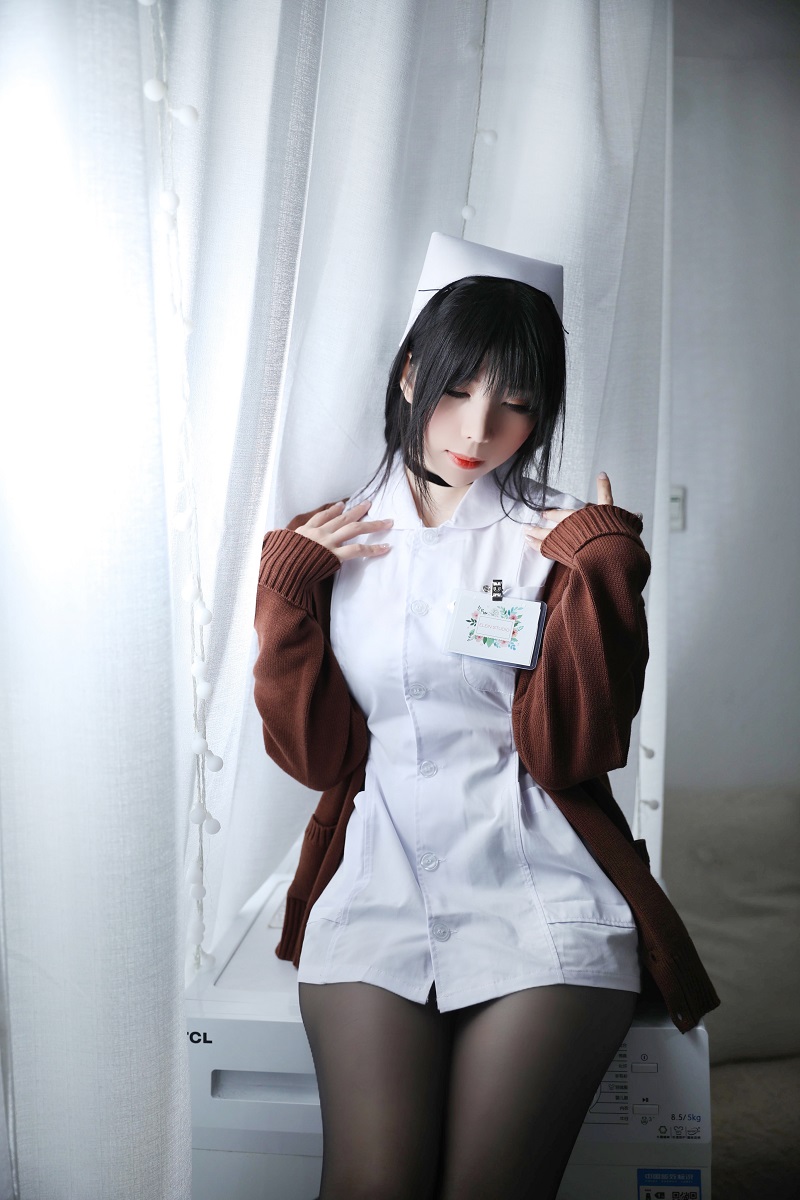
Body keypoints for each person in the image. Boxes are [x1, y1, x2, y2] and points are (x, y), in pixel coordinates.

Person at [253, 270, 720, 1200]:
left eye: (516, 403)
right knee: (372, 1183)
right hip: (378, 882)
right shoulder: (332, 539)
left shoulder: (559, 539)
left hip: (541, 890)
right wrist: (286, 589)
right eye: (458, 390)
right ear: (409, 374)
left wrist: (605, 569)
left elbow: (572, 752)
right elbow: (315, 758)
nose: (479, 429)